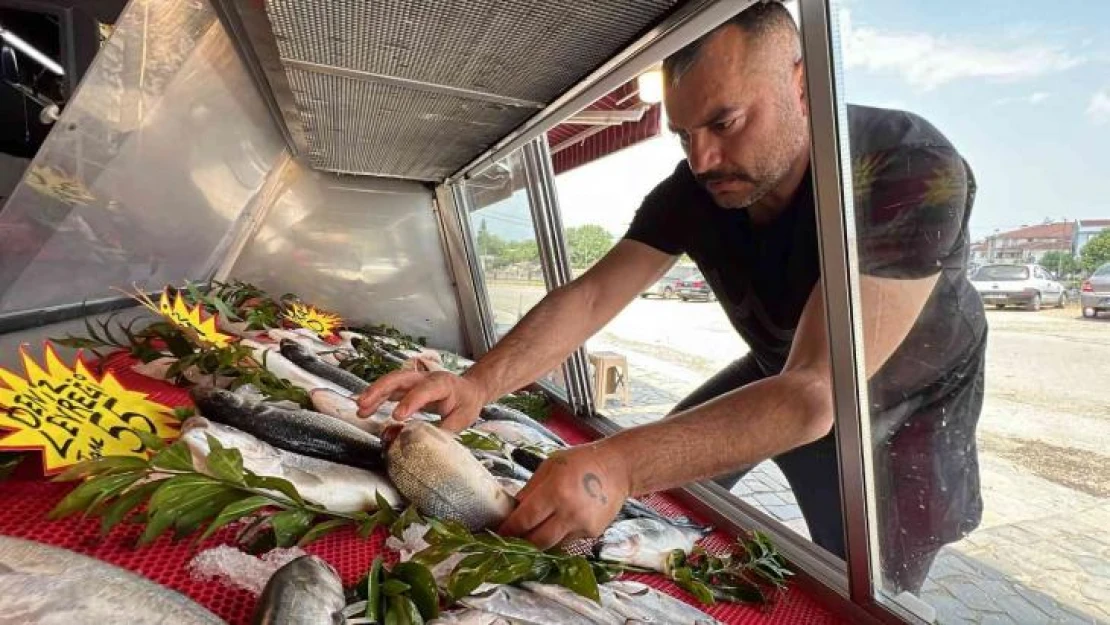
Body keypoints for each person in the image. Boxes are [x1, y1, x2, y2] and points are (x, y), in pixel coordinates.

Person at [357, 1, 986, 594]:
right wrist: (479, 384)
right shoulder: (700, 184)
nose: (704, 158)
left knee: (864, 586)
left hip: (907, 408)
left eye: (724, 122)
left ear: (802, 82)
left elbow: (818, 390)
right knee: (657, 503)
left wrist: (621, 465)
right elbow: (594, 294)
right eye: (684, 134)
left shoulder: (906, 167)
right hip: (781, 367)